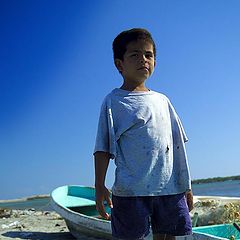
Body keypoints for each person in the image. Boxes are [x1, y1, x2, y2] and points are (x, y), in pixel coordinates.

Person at [94, 28, 193, 240]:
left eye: (148, 55)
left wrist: (186, 186)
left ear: (155, 62)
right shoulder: (114, 102)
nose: (143, 60)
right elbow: (102, 147)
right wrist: (99, 185)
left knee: (168, 236)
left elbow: (177, 147)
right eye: (135, 55)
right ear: (120, 64)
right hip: (131, 191)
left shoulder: (163, 101)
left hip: (169, 188)